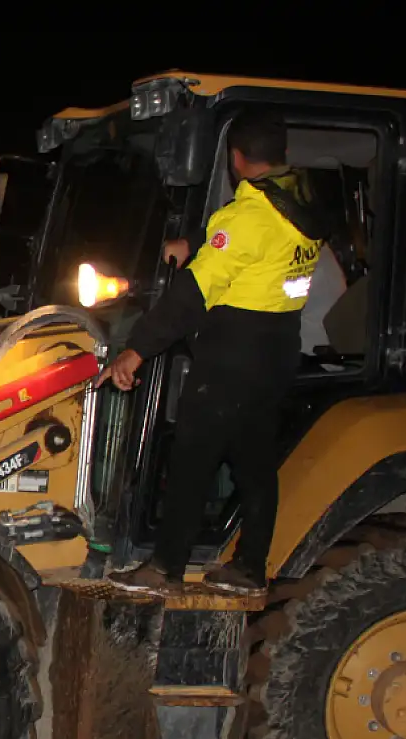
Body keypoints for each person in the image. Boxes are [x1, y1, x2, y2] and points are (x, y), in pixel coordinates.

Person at [98, 110, 329, 596]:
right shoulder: (303, 201)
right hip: (279, 346)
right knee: (255, 462)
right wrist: (200, 242)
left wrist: (134, 351)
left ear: (237, 159)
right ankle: (249, 568)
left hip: (233, 351)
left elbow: (188, 297)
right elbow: (260, 243)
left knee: (192, 458)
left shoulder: (244, 216)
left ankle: (165, 569)